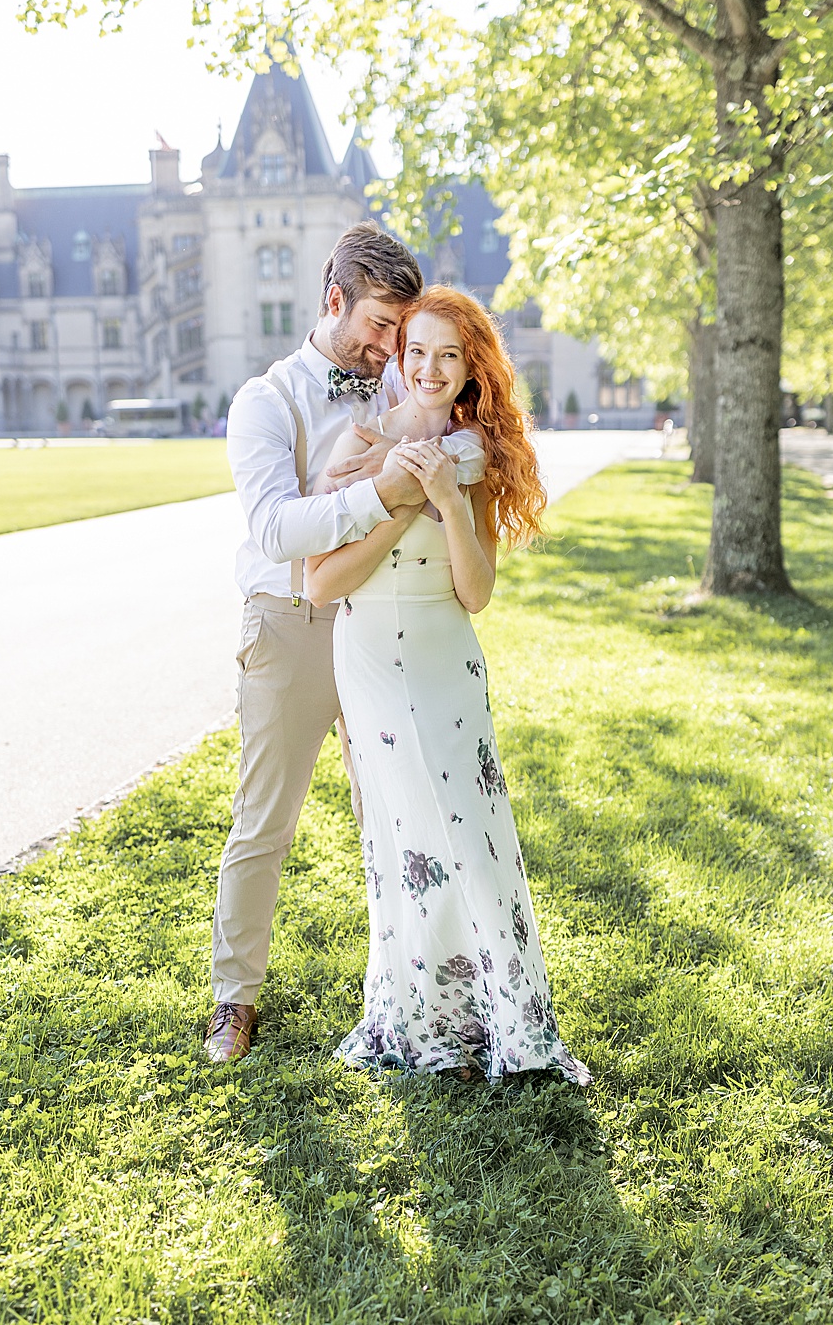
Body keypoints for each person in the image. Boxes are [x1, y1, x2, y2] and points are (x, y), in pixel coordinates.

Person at [205, 222, 487, 1065]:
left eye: (402, 333)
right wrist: (385, 492)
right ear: (334, 301)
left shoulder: (400, 380)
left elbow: (470, 438)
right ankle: (233, 998)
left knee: (394, 812)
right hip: (291, 628)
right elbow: (274, 527)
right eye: (377, 327)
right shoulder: (268, 400)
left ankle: (404, 984)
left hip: (382, 627)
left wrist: (438, 460)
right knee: (266, 822)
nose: (391, 349)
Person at [305, 286, 589, 1085]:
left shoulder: (477, 459)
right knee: (404, 840)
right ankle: (423, 1019)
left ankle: (507, 1022)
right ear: (400, 356)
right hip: (368, 660)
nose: (429, 368)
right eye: (417, 351)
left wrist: (448, 503)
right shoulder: (356, 445)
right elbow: (323, 585)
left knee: (473, 833)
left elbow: (476, 592)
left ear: (472, 371)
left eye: (449, 356)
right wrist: (398, 500)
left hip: (444, 657)